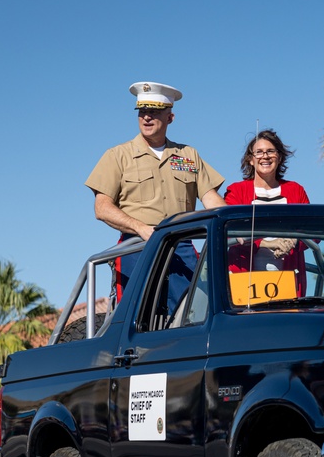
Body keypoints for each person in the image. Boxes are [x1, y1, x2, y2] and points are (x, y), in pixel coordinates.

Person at [86, 81, 227, 301]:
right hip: (137, 247)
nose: (147, 117)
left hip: (182, 247)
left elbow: (211, 199)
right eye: (142, 112)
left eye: (154, 112)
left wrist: (237, 227)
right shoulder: (118, 155)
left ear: (170, 117)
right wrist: (140, 228)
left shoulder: (188, 155)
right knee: (137, 321)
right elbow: (102, 208)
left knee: (192, 313)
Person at [224, 130, 311, 293]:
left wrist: (292, 242)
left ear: (279, 157)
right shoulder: (236, 191)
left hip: (289, 281)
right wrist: (267, 243)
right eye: (259, 152)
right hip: (244, 282)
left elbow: (312, 229)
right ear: (250, 160)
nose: (265, 156)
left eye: (271, 151)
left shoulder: (296, 190)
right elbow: (229, 229)